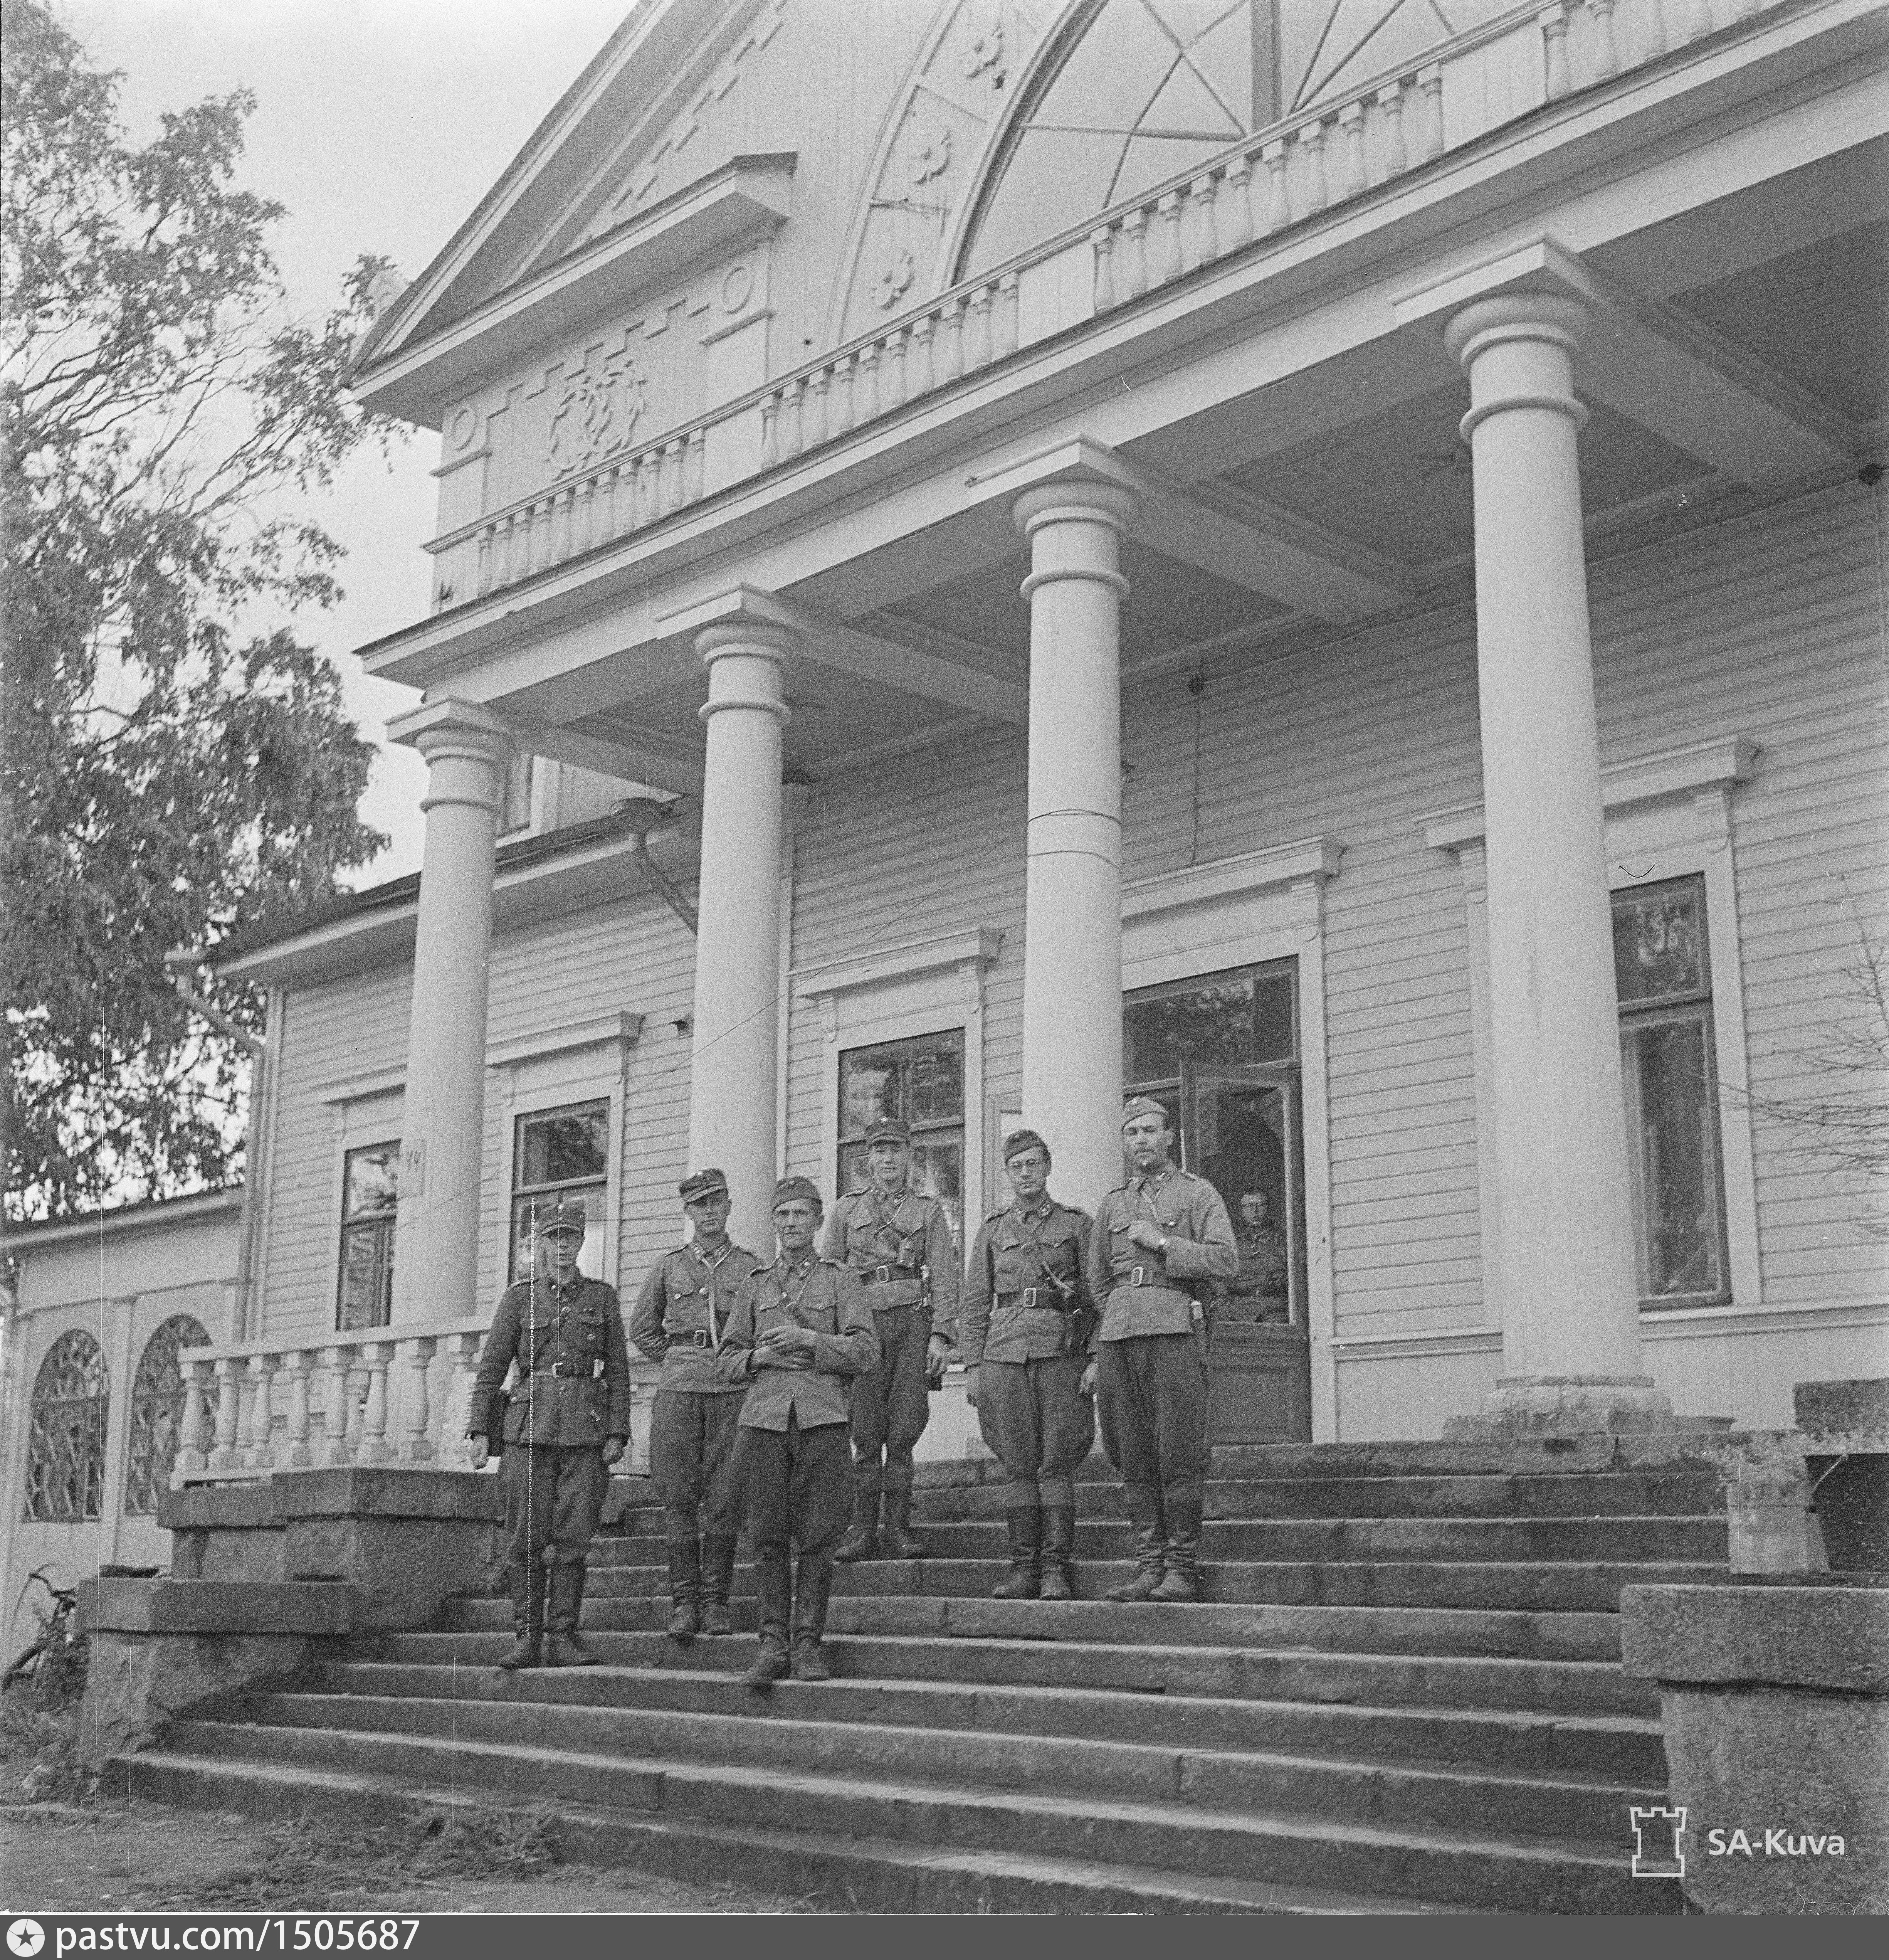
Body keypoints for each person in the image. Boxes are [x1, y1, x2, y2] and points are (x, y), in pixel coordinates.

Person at [718, 1177, 879, 1687]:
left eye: (801, 1215)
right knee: (766, 1537)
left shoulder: (841, 1280)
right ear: (774, 1223)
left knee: (818, 1537)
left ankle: (808, 1643)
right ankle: (772, 1645)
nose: (792, 1224)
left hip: (822, 1417)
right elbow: (725, 1361)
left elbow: (865, 1351)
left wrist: (811, 1339)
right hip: (763, 1420)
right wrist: (758, 1356)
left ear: (816, 1222)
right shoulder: (754, 1285)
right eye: (783, 1215)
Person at [467, 1199, 631, 1668]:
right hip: (527, 1431)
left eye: (571, 1238)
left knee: (576, 1537)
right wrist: (481, 1430)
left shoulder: (602, 1298)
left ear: (582, 1242)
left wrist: (617, 1430)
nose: (562, 1247)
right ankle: (528, 1637)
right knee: (525, 1537)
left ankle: (563, 1636)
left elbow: (618, 1371)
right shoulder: (520, 1299)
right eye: (553, 1238)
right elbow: (493, 1367)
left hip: (585, 1430)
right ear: (539, 1244)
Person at [1089, 1099, 1237, 1604]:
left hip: (1174, 1331)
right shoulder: (1111, 1204)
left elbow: (1225, 1259)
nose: (1141, 1140)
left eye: (1150, 1130)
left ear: (1169, 1136)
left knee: (1177, 1452)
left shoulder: (1196, 1194)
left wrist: (1161, 1243)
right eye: (1131, 1132)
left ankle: (1179, 1569)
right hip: (1118, 1338)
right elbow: (1098, 1279)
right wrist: (1117, 1315)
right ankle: (1147, 1569)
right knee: (1131, 1453)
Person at [959, 1129, 1101, 1601]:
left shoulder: (1077, 1225)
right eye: (1017, 1166)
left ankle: (1056, 1570)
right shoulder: (993, 1229)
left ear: (1047, 1168)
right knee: (1018, 1466)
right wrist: (975, 1367)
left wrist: (1097, 1357)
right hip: (1004, 1355)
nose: (1025, 1173)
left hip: (1061, 1353)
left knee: (1056, 1463)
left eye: (1033, 1164)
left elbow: (1100, 1296)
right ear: (1007, 1173)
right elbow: (976, 1301)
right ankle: (1024, 1569)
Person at [629, 1167, 766, 1640]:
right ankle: (684, 1604)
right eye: (699, 1204)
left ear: (729, 1206)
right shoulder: (668, 1267)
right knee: (679, 1499)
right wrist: (679, 1358)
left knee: (726, 1499)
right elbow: (642, 1329)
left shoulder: (750, 1268)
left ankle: (716, 1604)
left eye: (716, 1202)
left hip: (731, 1391)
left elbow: (764, 1328)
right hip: (680, 1390)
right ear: (687, 1212)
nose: (709, 1211)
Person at [822, 1118, 958, 1562]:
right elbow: (829, 1278)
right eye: (880, 1151)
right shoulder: (845, 1210)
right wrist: (832, 1344)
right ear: (869, 1158)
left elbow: (943, 1272)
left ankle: (898, 1528)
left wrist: (941, 1334)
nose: (888, 1159)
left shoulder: (927, 1209)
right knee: (864, 1430)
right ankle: (862, 1532)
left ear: (909, 1156)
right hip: (861, 1327)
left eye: (896, 1150)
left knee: (903, 1427)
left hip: (911, 1324)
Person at [1224, 1188, 1289, 1324]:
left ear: (1269, 1209)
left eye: (1260, 1205)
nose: (1254, 1211)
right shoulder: (1234, 1245)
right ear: (1242, 1212)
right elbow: (1221, 1279)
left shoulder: (1286, 1240)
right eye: (1249, 1206)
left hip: (1279, 1313)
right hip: (1243, 1314)